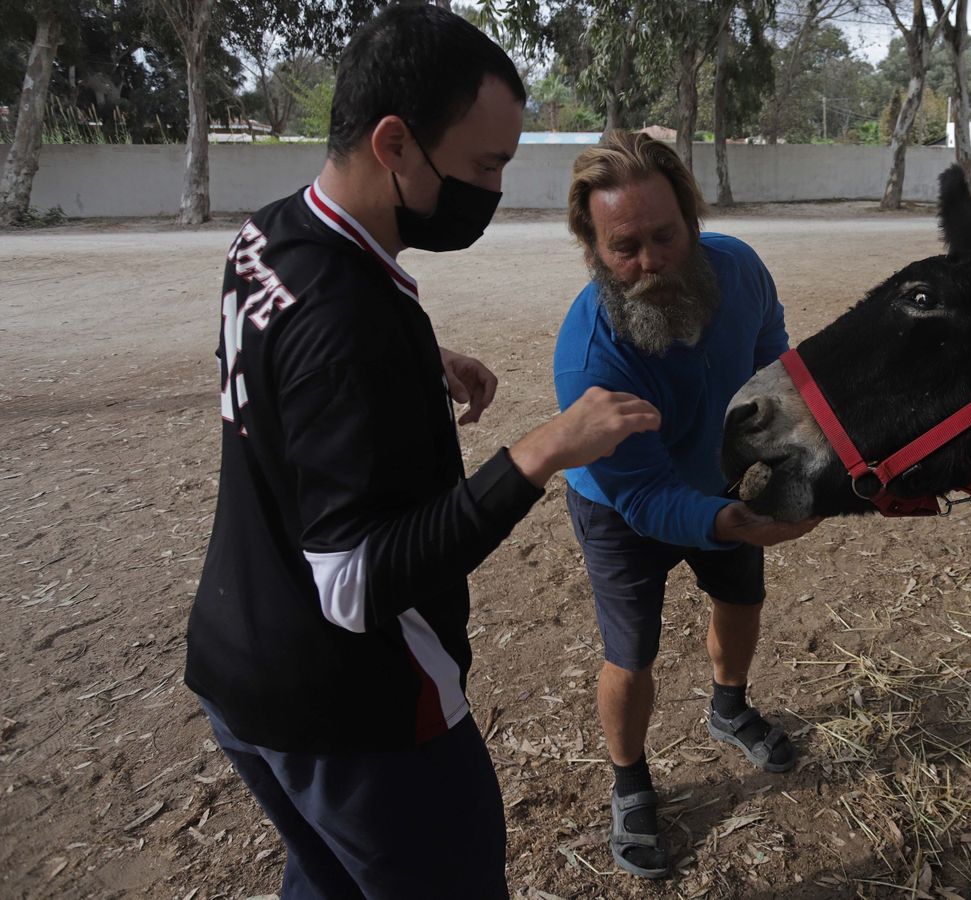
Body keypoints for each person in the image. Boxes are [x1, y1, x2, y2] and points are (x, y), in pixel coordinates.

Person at [183, 8, 660, 898]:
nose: (494, 190)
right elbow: (355, 584)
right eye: (485, 166)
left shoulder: (273, 232)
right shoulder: (350, 323)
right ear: (395, 142)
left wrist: (416, 361)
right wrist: (543, 450)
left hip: (236, 670)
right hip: (353, 712)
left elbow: (277, 351)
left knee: (327, 884)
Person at [554, 131, 819, 879]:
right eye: (624, 247)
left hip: (719, 477)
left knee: (740, 597)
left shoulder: (739, 269)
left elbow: (774, 356)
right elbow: (638, 492)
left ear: (693, 221)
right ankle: (630, 779)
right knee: (628, 652)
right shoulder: (590, 354)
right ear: (594, 249)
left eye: (665, 236)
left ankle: (729, 706)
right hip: (618, 506)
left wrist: (788, 460)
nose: (650, 262)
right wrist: (731, 523)